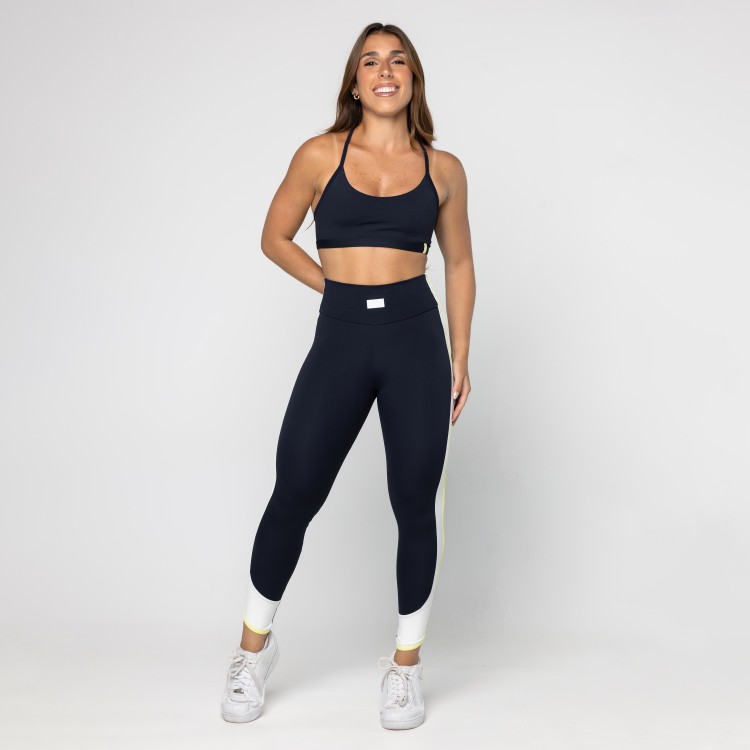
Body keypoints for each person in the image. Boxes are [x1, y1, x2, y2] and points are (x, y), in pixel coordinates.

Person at [220, 21, 475, 730]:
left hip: (415, 340)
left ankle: (405, 667)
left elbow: (458, 261)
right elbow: (274, 237)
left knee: (415, 501)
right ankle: (251, 652)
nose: (384, 72)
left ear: (413, 79)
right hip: (341, 338)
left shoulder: (444, 169)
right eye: (371, 62)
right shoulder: (319, 154)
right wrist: (332, 287)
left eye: (398, 61)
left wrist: (461, 354)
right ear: (354, 83)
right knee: (295, 489)